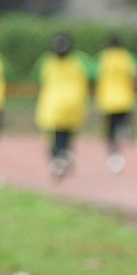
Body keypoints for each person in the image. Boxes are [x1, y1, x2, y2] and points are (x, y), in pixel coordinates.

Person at [34, 34, 93, 180]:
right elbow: (96, 73)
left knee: (54, 136)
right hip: (74, 106)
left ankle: (58, 158)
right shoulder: (80, 60)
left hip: (52, 105)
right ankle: (65, 154)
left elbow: (37, 78)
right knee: (67, 134)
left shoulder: (46, 62)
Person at [94, 34, 137, 173]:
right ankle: (125, 129)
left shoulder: (103, 57)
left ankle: (114, 156)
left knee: (110, 130)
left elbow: (95, 75)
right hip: (125, 98)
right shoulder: (128, 56)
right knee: (123, 120)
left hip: (108, 100)